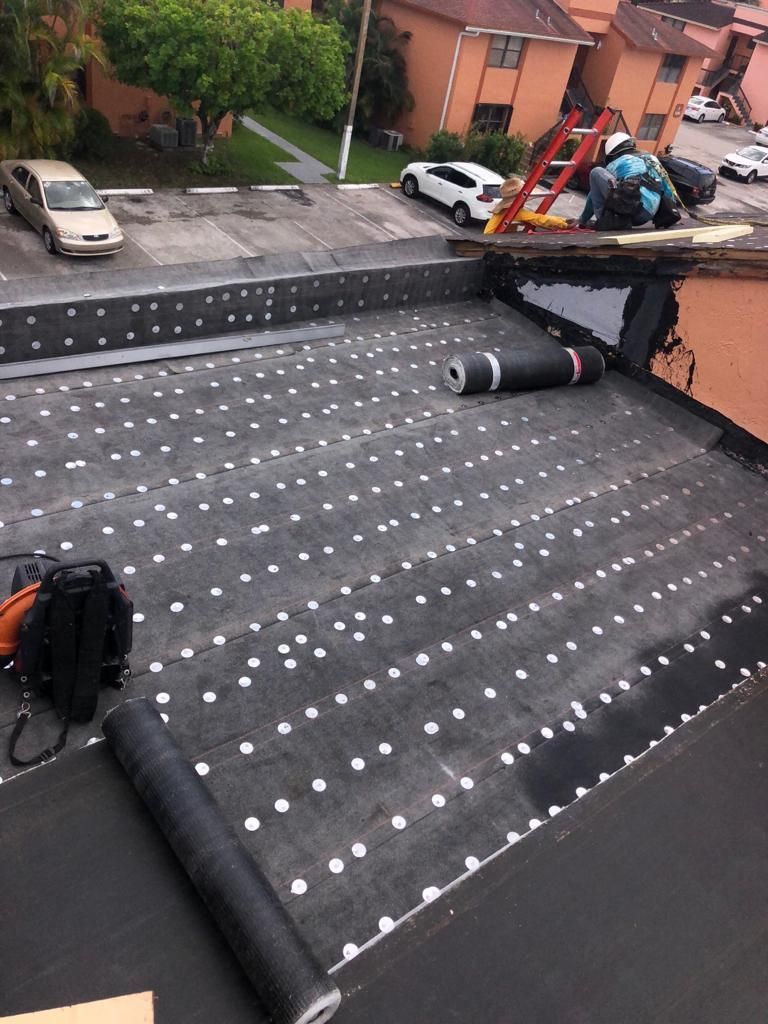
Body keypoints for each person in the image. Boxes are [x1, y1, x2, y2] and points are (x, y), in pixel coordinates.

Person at [578, 132, 675, 229]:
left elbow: (595, 192)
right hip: (649, 215)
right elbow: (668, 188)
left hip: (631, 213)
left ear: (613, 153)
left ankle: (604, 219)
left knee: (596, 172)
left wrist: (582, 220)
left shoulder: (618, 162)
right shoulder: (652, 159)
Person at [484, 176, 576, 234]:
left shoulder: (506, 210)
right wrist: (564, 225)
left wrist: (564, 220)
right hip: (490, 239)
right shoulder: (513, 212)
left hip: (488, 236)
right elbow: (539, 219)